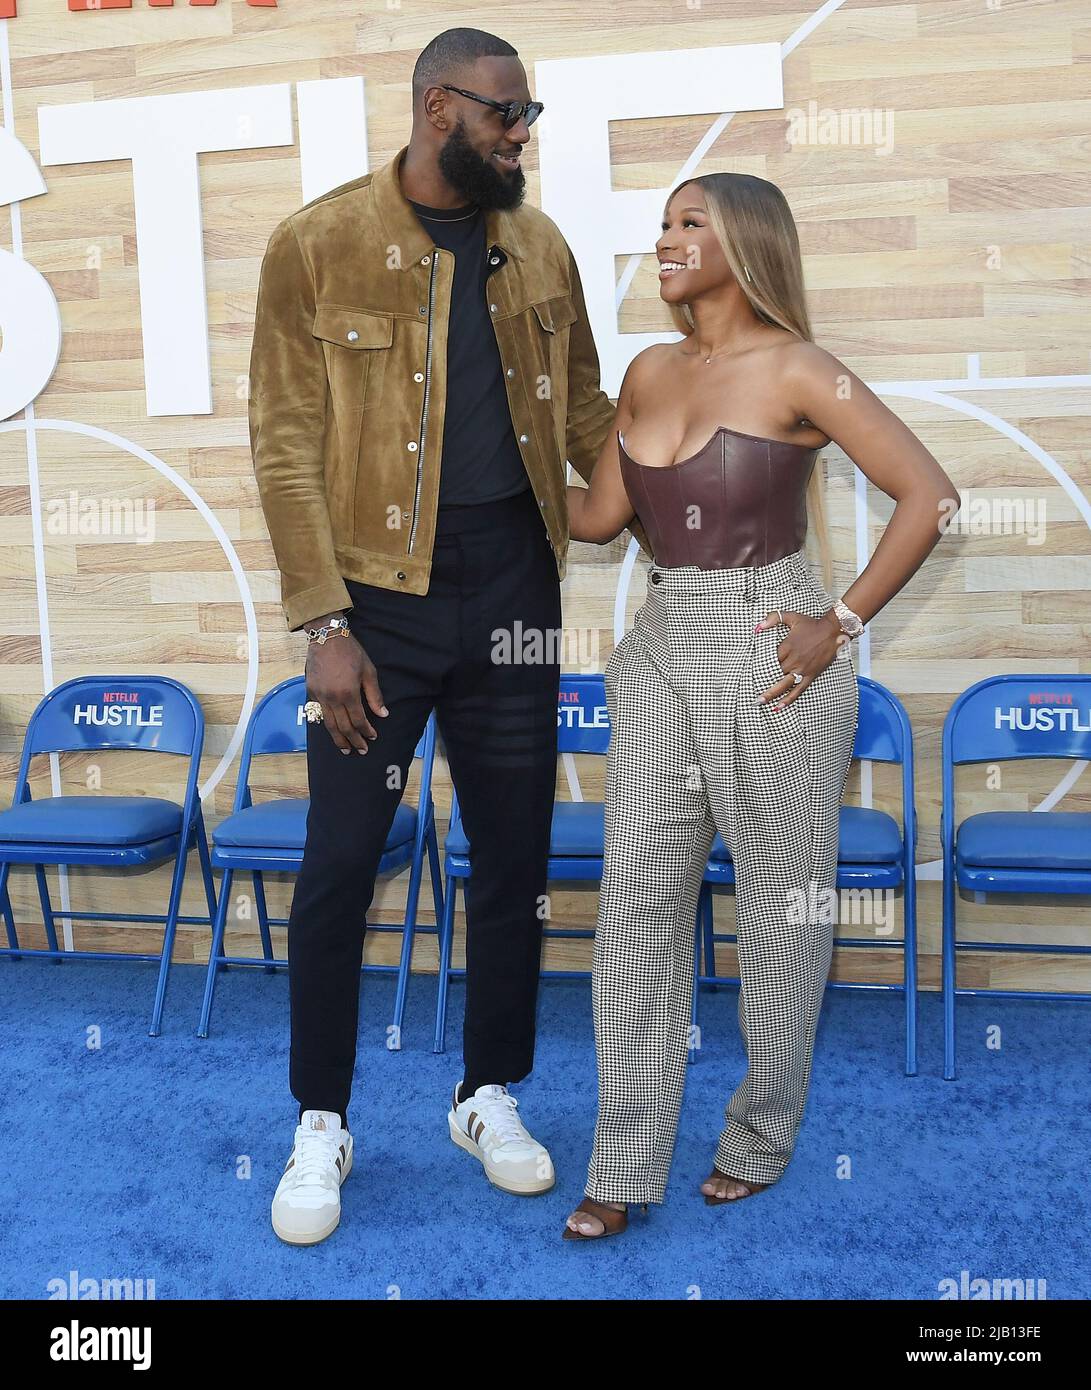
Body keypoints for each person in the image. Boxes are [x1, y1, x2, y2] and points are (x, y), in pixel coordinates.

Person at [247, 27, 651, 1245]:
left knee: (512, 860)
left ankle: (487, 1093)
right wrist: (324, 621)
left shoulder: (538, 244)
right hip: (374, 603)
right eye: (504, 114)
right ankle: (320, 1116)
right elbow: (283, 445)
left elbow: (582, 403)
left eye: (527, 115)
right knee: (339, 862)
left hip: (516, 590)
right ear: (438, 107)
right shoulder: (315, 245)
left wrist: (674, 484)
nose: (520, 135)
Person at [562, 172, 960, 1239]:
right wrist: (492, 466)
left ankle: (760, 1133)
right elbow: (599, 518)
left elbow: (929, 496)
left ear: (745, 244)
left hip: (771, 645)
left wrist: (837, 618)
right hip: (657, 645)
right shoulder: (645, 371)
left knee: (781, 910)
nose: (666, 238)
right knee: (635, 899)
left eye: (691, 223)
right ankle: (624, 1157)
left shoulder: (796, 367)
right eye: (663, 223)